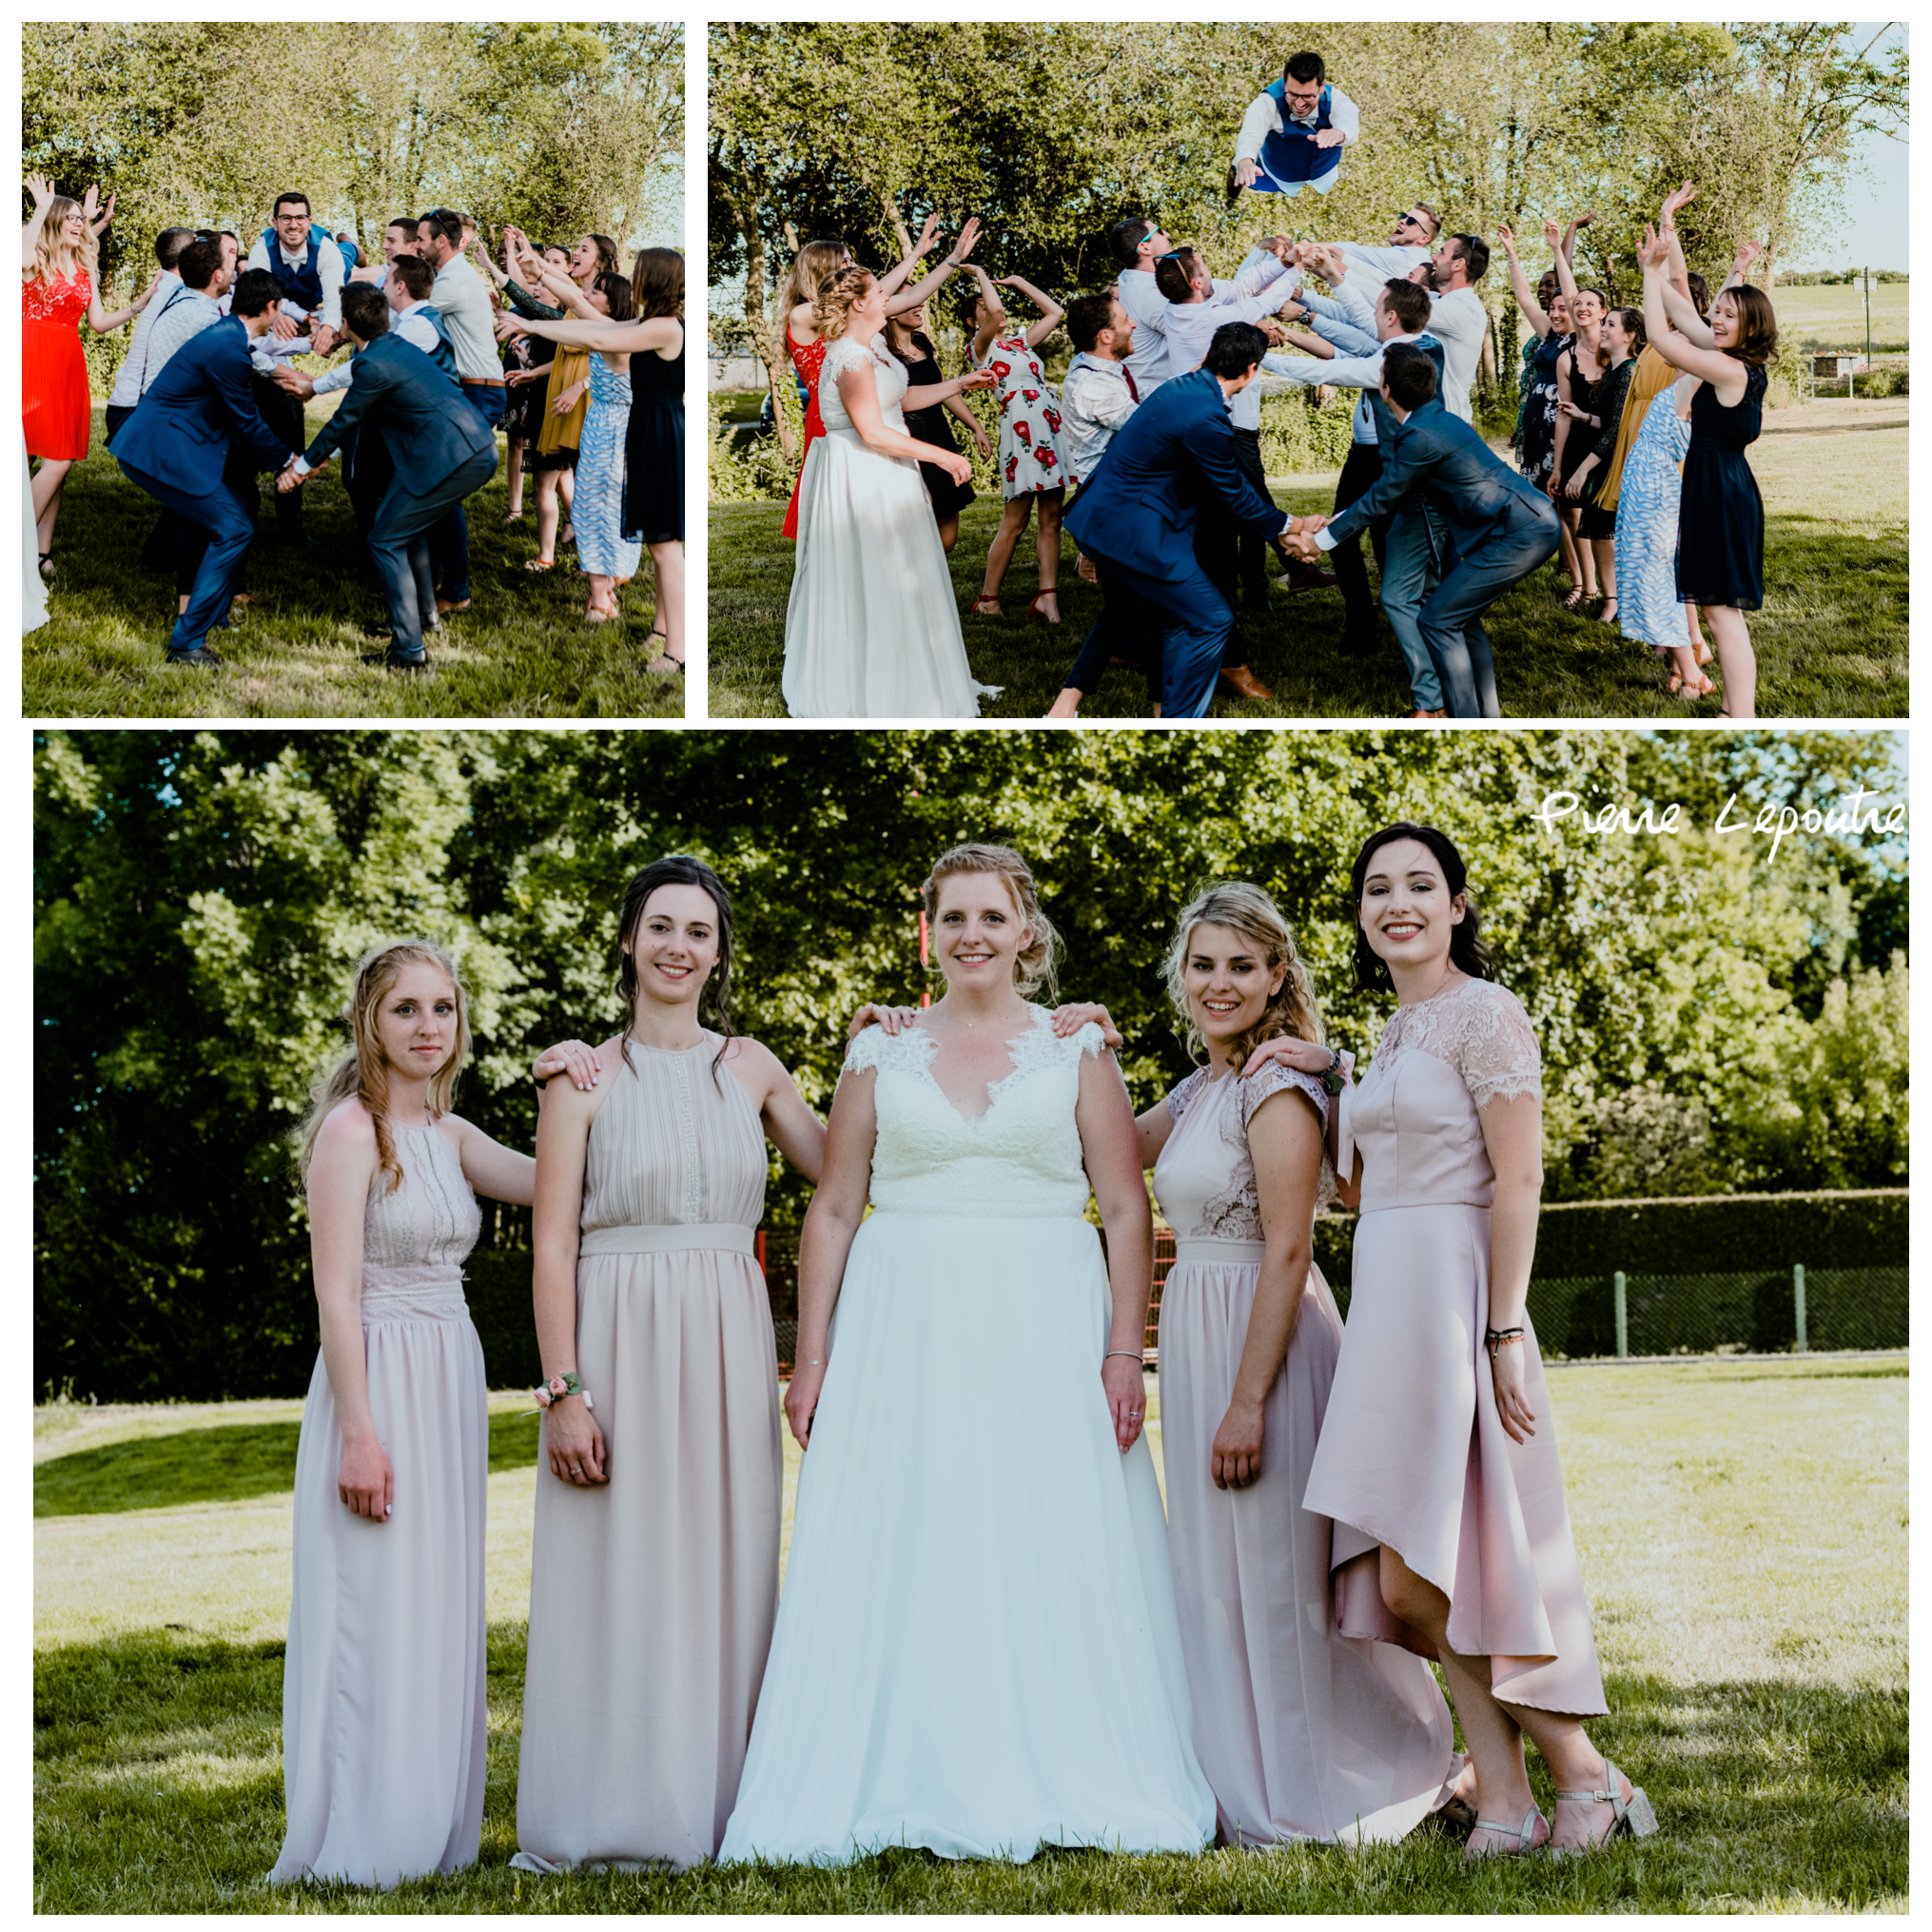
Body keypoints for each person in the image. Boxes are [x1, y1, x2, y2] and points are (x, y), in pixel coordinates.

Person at [718, 844, 1216, 1865]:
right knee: (914, 1525)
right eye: (954, 918)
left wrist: (1128, 1350)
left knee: (1047, 1524)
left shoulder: (1078, 1047)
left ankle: (1070, 1756)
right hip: (905, 1325)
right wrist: (810, 1359)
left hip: (1045, 1317)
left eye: (993, 917)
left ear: (1025, 930)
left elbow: (1125, 1207)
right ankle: (905, 1761)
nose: (973, 935)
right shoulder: (877, 1054)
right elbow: (835, 1208)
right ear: (928, 931)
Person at [1241, 824, 1660, 1860]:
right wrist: (1335, 1071)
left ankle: (1570, 1781)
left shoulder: (1488, 1015)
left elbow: (1518, 1179)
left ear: (1458, 906)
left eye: (1421, 885)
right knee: (1403, 1577)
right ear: (1361, 915)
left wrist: (1504, 1324)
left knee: (1450, 1562)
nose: (1399, 903)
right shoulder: (1388, 1037)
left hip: (1455, 1305)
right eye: (1378, 888)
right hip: (1386, 1304)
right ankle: (1528, 1789)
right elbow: (1360, 1184)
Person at [1051, 884, 1464, 1846]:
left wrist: (1248, 1402)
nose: (1220, 983)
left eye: (1242, 965)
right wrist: (1070, 1042)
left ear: (1278, 974)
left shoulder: (1278, 1088)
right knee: (1221, 1573)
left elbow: (1288, 1247)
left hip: (1263, 1346)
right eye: (1203, 965)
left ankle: (1317, 1784)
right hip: (1198, 1338)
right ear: (1180, 978)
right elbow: (1096, 1151)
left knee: (1279, 1576)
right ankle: (1241, 1769)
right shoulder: (1202, 1087)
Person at [511, 857, 827, 1874]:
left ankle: (729, 1800)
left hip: (731, 1339)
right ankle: (612, 1808)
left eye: (697, 931)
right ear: (628, 942)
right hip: (615, 1337)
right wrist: (564, 1392)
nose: (678, 948)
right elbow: (551, 1242)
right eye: (660, 928)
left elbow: (849, 1168)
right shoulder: (581, 1077)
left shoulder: (755, 1067)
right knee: (620, 1566)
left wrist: (896, 1043)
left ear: (719, 950)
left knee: (727, 1561)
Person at [271, 941, 542, 1887]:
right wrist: (359, 1434)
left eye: (442, 1010)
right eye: (406, 1011)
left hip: (449, 1375)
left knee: (435, 1596)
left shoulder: (451, 1133)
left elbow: (563, 1181)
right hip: (378, 1378)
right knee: (374, 1598)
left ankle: (431, 1822)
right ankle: (360, 1835)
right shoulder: (350, 1135)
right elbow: (336, 1296)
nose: (429, 1028)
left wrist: (590, 1073)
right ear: (370, 1023)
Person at [1286, 345, 1558, 719]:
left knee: (1438, 619)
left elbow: (1381, 498)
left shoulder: (1418, 436)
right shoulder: (1434, 420)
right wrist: (1332, 523)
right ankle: (1486, 717)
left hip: (1518, 535)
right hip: (1525, 526)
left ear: (1384, 390)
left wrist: (1318, 541)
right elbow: (1388, 492)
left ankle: (1462, 720)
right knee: (1464, 618)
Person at [778, 264, 991, 717]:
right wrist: (943, 456)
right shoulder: (849, 357)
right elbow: (872, 430)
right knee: (873, 576)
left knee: (907, 573)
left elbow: (900, 400)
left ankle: (917, 674)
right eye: (879, 290)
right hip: (863, 474)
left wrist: (958, 383)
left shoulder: (873, 346)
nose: (888, 296)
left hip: (892, 471)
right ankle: (873, 685)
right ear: (860, 303)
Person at [1064, 322, 1298, 720]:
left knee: (1159, 614)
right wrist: (1289, 527)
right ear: (1252, 370)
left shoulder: (1181, 387)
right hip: (1137, 532)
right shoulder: (1205, 416)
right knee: (1211, 617)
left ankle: (1153, 710)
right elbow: (1232, 493)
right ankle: (1181, 719)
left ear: (1209, 355)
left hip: (1113, 520)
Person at [279, 283, 498, 671]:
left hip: (454, 457)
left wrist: (298, 469)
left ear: (345, 325)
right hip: (463, 446)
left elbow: (342, 422)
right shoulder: (394, 348)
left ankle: (409, 651)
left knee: (383, 540)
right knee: (402, 530)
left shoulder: (372, 364)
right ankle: (424, 617)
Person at [503, 249, 689, 673]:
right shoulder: (648, 323)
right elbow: (584, 310)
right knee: (662, 544)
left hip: (657, 432)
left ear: (652, 280)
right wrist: (543, 270)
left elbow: (598, 338)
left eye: (639, 272)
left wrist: (528, 322)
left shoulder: (663, 326)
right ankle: (662, 631)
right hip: (649, 427)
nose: (633, 277)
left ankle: (678, 653)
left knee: (665, 548)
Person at [1261, 276, 1446, 701]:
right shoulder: (1401, 344)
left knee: (1388, 538)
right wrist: (1305, 319)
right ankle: (1364, 623)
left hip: (1394, 459)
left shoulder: (1397, 358)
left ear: (1391, 316)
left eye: (1376, 308)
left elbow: (1326, 370)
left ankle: (1407, 625)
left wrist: (1260, 359)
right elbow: (1351, 332)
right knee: (1354, 539)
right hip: (1364, 452)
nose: (1369, 315)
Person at [110, 265, 300, 666]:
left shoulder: (229, 336)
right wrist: (287, 461)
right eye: (279, 307)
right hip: (159, 452)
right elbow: (246, 419)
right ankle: (187, 641)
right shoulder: (228, 346)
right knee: (234, 529)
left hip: (175, 446)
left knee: (228, 521)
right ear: (270, 307)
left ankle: (207, 615)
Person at [1641, 222, 1775, 719]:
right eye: (1715, 311)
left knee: (1722, 615)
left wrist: (1654, 272)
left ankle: (1739, 717)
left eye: (1726, 315)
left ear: (1750, 328)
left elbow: (1659, 334)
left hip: (1718, 490)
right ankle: (1733, 710)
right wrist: (1653, 276)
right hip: (1719, 483)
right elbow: (1682, 314)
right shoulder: (1731, 358)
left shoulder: (1727, 368)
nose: (1714, 320)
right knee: (1723, 613)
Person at [776, 220, 979, 542]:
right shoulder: (803, 314)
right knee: (843, 521)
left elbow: (908, 296)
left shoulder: (848, 314)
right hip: (831, 420)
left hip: (869, 410)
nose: (853, 265)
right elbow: (866, 296)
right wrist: (910, 258)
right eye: (845, 261)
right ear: (823, 270)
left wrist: (948, 260)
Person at [23, 174, 155, 577]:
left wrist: (139, 305)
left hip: (67, 362)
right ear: (54, 221)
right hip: (29, 356)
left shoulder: (84, 267)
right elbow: (19, 255)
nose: (80, 223)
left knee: (57, 457)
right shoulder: (32, 260)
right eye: (73, 217)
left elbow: (97, 322)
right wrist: (41, 207)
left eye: (83, 218)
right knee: (54, 461)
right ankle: (15, 544)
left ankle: (42, 553)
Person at [959, 263, 1067, 622]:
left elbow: (1056, 312)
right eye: (982, 306)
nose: (992, 307)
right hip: (1021, 431)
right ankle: (988, 599)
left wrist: (1020, 281)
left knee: (1052, 518)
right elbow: (997, 311)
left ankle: (1047, 597)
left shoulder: (1021, 343)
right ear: (975, 321)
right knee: (1016, 521)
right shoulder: (980, 347)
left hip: (1048, 426)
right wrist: (979, 274)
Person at [416, 207, 507, 615]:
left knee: (444, 489)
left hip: (479, 392)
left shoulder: (452, 281)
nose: (417, 246)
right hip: (470, 390)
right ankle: (438, 581)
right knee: (437, 486)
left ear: (440, 241)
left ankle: (455, 592)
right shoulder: (453, 275)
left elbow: (405, 311)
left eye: (420, 239)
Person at [883, 294, 995, 554]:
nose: (920, 304)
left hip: (938, 432)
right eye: (911, 300)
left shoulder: (922, 343)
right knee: (916, 524)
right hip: (909, 435)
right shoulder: (882, 352)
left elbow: (945, 390)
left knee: (947, 539)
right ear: (891, 310)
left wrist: (976, 427)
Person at [1563, 305, 1645, 627]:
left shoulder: (1628, 371)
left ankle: (1615, 601)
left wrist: (1583, 469)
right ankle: (1612, 599)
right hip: (1606, 457)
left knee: (1605, 531)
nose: (1604, 329)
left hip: (1615, 462)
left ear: (1629, 335)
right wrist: (1583, 416)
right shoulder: (1616, 370)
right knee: (1598, 529)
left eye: (1610, 324)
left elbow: (1619, 428)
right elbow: (1610, 421)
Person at [103, 225, 194, 442]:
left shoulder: (167, 287)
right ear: (187, 256)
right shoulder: (177, 294)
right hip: (136, 408)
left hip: (126, 402)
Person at [1230, 50, 1359, 201]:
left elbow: (1349, 123)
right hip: (1276, 176)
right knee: (1243, 173)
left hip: (1325, 173)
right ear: (1285, 83)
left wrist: (1338, 133)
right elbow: (1250, 133)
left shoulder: (1336, 99)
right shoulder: (1266, 102)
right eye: (1292, 94)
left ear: (1322, 86)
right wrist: (1245, 162)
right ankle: (1232, 189)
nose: (1299, 104)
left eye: (1308, 96)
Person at [1550, 282, 1609, 610]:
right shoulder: (1565, 359)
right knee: (1571, 514)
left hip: (1608, 443)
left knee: (1603, 519)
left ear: (1603, 312)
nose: (1581, 308)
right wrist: (1557, 467)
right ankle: (1587, 587)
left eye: (1590, 304)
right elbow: (1562, 415)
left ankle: (1612, 587)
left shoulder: (1617, 351)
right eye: (1578, 303)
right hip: (1575, 442)